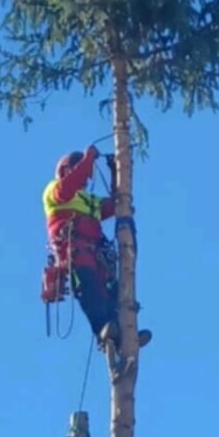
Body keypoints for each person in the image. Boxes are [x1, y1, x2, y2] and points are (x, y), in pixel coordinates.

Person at [42, 146, 152, 350]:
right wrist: (88, 159)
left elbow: (114, 205)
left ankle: (125, 334)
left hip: (97, 254)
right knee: (89, 289)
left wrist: (114, 172)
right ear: (65, 170)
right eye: (80, 171)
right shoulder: (54, 189)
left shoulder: (87, 199)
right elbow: (69, 187)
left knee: (114, 292)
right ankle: (103, 331)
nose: (85, 179)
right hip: (75, 253)